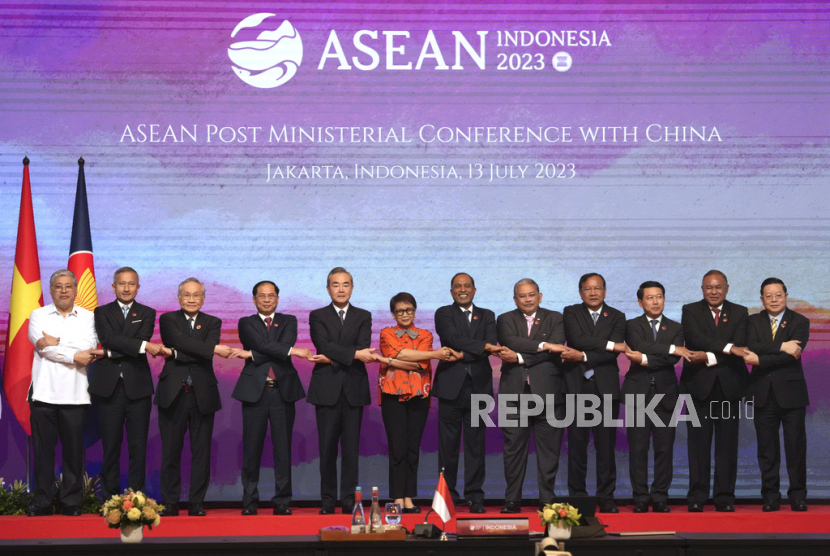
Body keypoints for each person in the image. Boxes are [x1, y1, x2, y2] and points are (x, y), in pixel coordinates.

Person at [27, 269, 102, 516]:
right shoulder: (38, 314)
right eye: (58, 286)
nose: (63, 291)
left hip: (76, 395)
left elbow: (88, 349)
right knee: (43, 454)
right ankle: (43, 502)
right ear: (51, 290)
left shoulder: (89, 317)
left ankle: (71, 502)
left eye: (68, 286)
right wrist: (72, 352)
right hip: (43, 395)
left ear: (76, 290)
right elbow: (43, 350)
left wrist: (56, 342)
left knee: (73, 455)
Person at [231, 280, 310, 516]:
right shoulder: (246, 322)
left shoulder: (289, 320)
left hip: (282, 391)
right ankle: (249, 502)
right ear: (254, 299)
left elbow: (281, 344)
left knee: (282, 449)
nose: (266, 299)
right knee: (251, 448)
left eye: (271, 295)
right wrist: (291, 352)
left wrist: (252, 355)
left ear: (277, 298)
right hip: (255, 392)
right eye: (262, 296)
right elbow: (263, 344)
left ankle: (282, 501)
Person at [155, 277, 231, 516]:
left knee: (201, 453)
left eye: (196, 295)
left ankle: (197, 503)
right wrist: (207, 349)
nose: (191, 299)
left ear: (203, 298)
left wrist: (176, 353)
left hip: (202, 394)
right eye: (186, 295)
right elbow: (178, 340)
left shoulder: (213, 322)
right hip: (173, 394)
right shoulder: (168, 319)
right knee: (170, 452)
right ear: (179, 298)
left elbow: (201, 355)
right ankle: (170, 502)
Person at [375, 292, 455, 513]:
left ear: (415, 311)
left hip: (420, 394)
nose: (405, 314)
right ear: (393, 314)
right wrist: (403, 356)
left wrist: (392, 360)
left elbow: (420, 363)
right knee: (397, 448)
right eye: (400, 311)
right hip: (392, 395)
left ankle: (409, 496)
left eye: (409, 310)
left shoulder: (425, 334)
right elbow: (398, 352)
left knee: (412, 448)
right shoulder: (386, 332)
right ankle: (397, 497)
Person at [90, 266, 163, 501]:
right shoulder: (101, 312)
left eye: (131, 284)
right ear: (113, 287)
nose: (126, 288)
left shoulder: (148, 312)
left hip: (138, 389)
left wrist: (109, 352)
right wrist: (140, 347)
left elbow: (135, 340)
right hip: (108, 388)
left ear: (138, 287)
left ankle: (136, 499)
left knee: (137, 447)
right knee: (110, 447)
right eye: (122, 283)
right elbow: (108, 339)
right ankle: (109, 499)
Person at [306, 267, 375, 515]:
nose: (341, 289)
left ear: (352, 288)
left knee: (351, 451)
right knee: (326, 450)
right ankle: (327, 502)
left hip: (353, 389)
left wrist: (333, 358)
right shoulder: (317, 315)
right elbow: (322, 345)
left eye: (346, 284)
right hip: (326, 390)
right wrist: (353, 355)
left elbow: (364, 347)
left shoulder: (363, 315)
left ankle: (348, 501)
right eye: (336, 285)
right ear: (328, 289)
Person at [496, 278, 568, 513]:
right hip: (514, 393)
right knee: (513, 451)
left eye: (531, 294)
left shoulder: (555, 317)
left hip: (548, 394)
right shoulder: (505, 319)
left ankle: (547, 500)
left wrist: (519, 357)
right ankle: (512, 500)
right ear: (515, 299)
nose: (527, 299)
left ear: (540, 295)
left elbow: (557, 346)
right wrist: (544, 346)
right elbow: (510, 341)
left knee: (549, 452)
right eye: (522, 295)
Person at [680, 270, 749, 512]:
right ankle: (697, 497)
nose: (714, 291)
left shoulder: (740, 312)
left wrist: (708, 355)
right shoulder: (690, 311)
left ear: (727, 288)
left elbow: (741, 345)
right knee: (698, 445)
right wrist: (728, 348)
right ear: (702, 288)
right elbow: (695, 339)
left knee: (727, 445)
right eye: (709, 287)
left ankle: (724, 497)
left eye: (718, 287)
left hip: (729, 388)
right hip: (698, 387)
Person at [432, 272, 499, 513]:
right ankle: (447, 497)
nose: (462, 289)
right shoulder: (444, 313)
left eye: (467, 286)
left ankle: (475, 497)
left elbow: (492, 343)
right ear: (452, 291)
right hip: (451, 388)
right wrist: (481, 348)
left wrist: (463, 354)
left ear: (474, 289)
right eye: (457, 286)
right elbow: (452, 338)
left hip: (479, 388)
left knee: (476, 446)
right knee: (447, 448)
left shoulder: (488, 315)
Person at [622, 281, 690, 513]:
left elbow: (672, 361)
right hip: (638, 394)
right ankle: (640, 497)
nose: (655, 301)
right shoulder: (630, 325)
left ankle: (660, 496)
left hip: (665, 394)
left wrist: (643, 358)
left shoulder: (676, 327)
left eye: (659, 296)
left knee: (664, 449)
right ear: (641, 302)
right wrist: (671, 348)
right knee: (638, 449)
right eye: (649, 298)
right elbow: (639, 345)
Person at [743, 278, 809, 512]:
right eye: (768, 296)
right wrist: (782, 345)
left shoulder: (800, 321)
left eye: (778, 295)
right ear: (762, 299)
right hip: (762, 393)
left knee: (795, 448)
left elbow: (793, 355)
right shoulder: (752, 321)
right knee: (767, 450)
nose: (773, 299)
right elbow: (751, 345)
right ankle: (771, 497)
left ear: (786, 296)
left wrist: (760, 359)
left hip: (791, 395)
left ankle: (798, 496)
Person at [562, 272, 626, 513]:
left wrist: (585, 355)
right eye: (588, 289)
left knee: (606, 445)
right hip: (576, 387)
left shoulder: (618, 316)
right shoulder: (571, 312)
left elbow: (613, 353)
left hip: (605, 389)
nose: (593, 292)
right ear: (581, 292)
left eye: (598, 288)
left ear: (605, 291)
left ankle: (606, 496)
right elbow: (576, 338)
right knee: (576, 445)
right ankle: (577, 496)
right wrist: (609, 343)